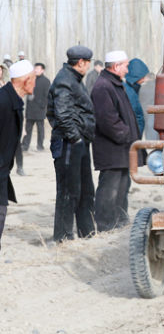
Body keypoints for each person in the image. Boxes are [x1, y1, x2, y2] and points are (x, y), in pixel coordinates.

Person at [47, 46, 96, 242]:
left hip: (79, 142)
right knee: (68, 190)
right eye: (88, 63)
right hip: (69, 143)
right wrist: (75, 138)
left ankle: (87, 232)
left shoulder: (74, 79)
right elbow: (62, 114)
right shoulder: (64, 81)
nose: (88, 67)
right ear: (81, 62)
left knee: (85, 189)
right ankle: (62, 237)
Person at [91, 50, 142, 231]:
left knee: (122, 186)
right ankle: (105, 225)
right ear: (116, 66)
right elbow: (107, 120)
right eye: (126, 66)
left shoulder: (114, 84)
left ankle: (120, 221)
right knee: (109, 189)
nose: (127, 70)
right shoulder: (103, 87)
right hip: (111, 148)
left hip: (121, 147)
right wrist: (127, 134)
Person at [0, 60, 36, 250]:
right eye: (34, 79)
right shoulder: (3, 101)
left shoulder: (13, 101)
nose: (35, 84)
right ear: (26, 80)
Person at [22, 63, 50, 151]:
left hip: (40, 109)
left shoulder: (46, 81)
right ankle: (25, 145)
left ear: (42, 70)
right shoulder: (30, 79)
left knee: (40, 129)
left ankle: (40, 146)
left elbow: (47, 96)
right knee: (28, 129)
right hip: (30, 109)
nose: (36, 70)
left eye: (38, 68)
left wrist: (42, 105)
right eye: (35, 68)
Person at [123, 58, 149, 137]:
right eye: (142, 77)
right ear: (135, 77)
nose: (144, 80)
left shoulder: (133, 90)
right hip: (132, 136)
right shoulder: (129, 92)